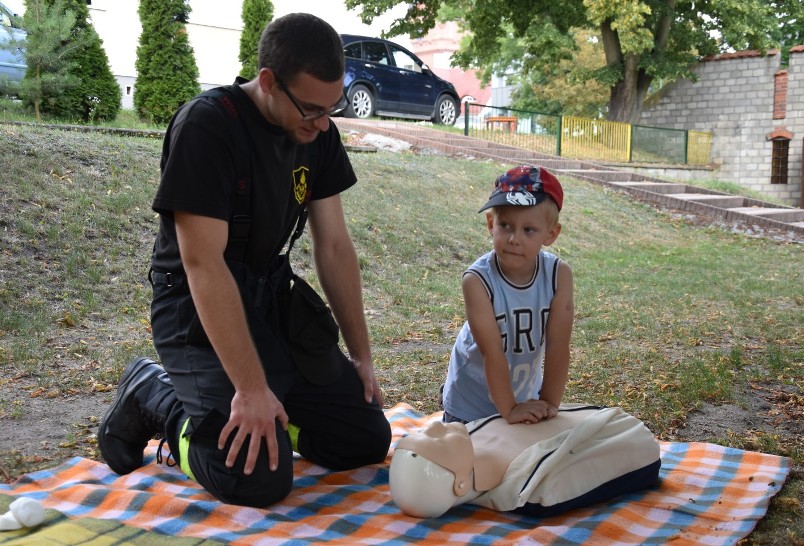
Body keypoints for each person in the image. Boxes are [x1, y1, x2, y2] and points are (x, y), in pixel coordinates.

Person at [97, 13, 391, 508]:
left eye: (332, 108)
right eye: (311, 109)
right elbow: (202, 265)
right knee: (257, 480)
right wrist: (251, 389)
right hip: (195, 307)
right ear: (269, 81)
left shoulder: (318, 134)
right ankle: (156, 398)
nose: (322, 124)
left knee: (362, 439)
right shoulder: (208, 126)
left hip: (271, 299)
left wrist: (361, 356)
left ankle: (270, 426)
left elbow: (334, 246)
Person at [441, 165, 574, 425]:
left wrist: (548, 403)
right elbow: (493, 352)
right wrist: (509, 410)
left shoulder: (559, 275)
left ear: (551, 234)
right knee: (468, 465)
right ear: (491, 224)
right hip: (469, 406)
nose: (514, 238)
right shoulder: (477, 280)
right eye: (505, 225)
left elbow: (558, 346)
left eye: (528, 230)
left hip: (524, 397)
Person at [390, 405, 662, 518]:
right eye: (434, 440)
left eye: (422, 431)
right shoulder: (540, 489)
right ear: (460, 485)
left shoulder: (467, 434)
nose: (434, 426)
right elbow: (630, 449)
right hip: (621, 427)